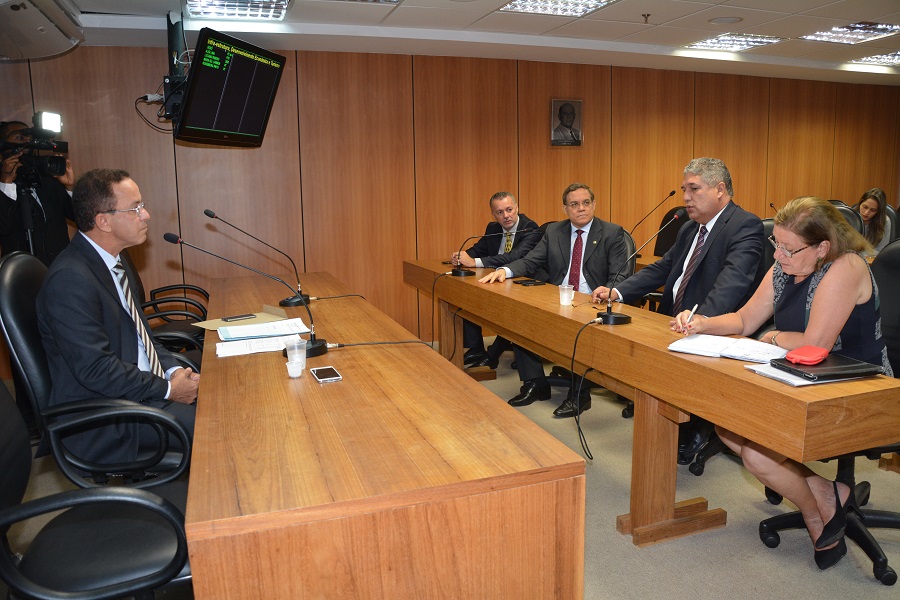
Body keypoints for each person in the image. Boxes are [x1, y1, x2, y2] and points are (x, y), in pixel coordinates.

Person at [672, 196, 892, 570]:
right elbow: (744, 320)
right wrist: (703, 323)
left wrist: (772, 336)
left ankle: (814, 513)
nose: (778, 255)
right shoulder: (785, 265)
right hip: (805, 377)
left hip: (860, 389)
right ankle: (824, 493)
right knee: (728, 426)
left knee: (757, 451)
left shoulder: (845, 267)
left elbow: (815, 344)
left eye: (789, 249)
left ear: (823, 247)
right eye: (777, 244)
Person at [592, 157, 766, 463]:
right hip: (673, 321)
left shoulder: (744, 225)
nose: (685, 197)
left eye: (694, 189)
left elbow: (732, 283)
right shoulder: (689, 228)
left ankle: (700, 427)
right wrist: (618, 291)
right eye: (684, 189)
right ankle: (669, 419)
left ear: (720, 189)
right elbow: (662, 268)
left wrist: (702, 319)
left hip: (714, 329)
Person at [37, 168, 199, 466]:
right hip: (105, 420)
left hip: (136, 393)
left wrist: (173, 371)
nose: (146, 215)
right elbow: (96, 369)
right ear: (103, 221)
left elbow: (142, 337)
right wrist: (168, 389)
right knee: (217, 427)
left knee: (224, 398)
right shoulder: (70, 280)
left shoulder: (112, 261)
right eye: (135, 208)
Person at [479, 183, 629, 417]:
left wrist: (607, 292)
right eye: (574, 204)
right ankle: (535, 383)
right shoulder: (554, 231)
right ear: (565, 209)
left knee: (578, 326)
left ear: (594, 204)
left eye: (586, 203)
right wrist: (505, 271)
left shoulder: (612, 233)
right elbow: (531, 260)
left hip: (593, 301)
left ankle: (579, 396)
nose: (581, 208)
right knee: (520, 313)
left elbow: (620, 275)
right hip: (559, 296)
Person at [452, 192, 540, 368]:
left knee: (509, 311)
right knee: (466, 294)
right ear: (493, 214)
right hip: (497, 280)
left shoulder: (530, 228)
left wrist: (475, 262)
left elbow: (514, 257)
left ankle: (493, 355)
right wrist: (462, 256)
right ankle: (476, 348)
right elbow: (478, 249)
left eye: (509, 210)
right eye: (500, 212)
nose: (506, 216)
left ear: (517, 208)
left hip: (523, 281)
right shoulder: (493, 228)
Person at [0, 120, 75, 266]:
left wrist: (69, 188)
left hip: (62, 269)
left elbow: (81, 219)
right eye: (20, 138)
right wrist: (6, 183)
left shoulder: (48, 178)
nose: (27, 144)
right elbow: (3, 228)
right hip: (22, 273)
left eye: (30, 139)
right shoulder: (3, 185)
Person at [854, 187, 890, 253]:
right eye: (865, 207)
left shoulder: (885, 221)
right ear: (860, 203)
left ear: (878, 212)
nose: (866, 212)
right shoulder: (850, 217)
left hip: (871, 258)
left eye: (873, 210)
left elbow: (881, 251)